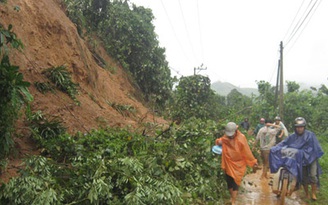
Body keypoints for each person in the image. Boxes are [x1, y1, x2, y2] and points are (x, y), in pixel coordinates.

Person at [271, 117, 324, 200]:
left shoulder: (310, 135)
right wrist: (276, 147)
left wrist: (301, 152)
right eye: (298, 127)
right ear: (295, 128)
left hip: (311, 158)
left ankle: (313, 194)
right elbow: (284, 142)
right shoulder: (292, 136)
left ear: (304, 127)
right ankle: (307, 193)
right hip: (300, 159)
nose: (299, 129)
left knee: (313, 175)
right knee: (304, 177)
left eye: (301, 127)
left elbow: (313, 148)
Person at [215, 122, 258, 205]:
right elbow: (219, 141)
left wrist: (253, 162)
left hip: (238, 164)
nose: (230, 136)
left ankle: (233, 201)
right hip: (228, 162)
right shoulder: (226, 137)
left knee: (236, 181)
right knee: (229, 181)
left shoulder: (241, 138)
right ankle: (232, 198)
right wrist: (219, 142)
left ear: (236, 131)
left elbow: (247, 151)